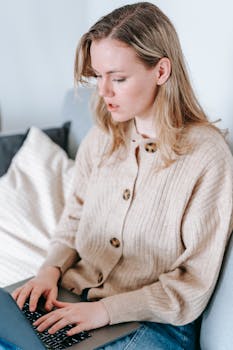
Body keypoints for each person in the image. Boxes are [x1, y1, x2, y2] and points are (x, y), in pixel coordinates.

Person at [12, 2, 233, 349]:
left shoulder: (207, 156)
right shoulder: (101, 137)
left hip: (152, 322)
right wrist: (49, 271)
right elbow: (74, 219)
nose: (103, 91)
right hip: (72, 298)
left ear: (161, 71)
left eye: (118, 78)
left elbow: (193, 282)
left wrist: (105, 311)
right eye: (99, 76)